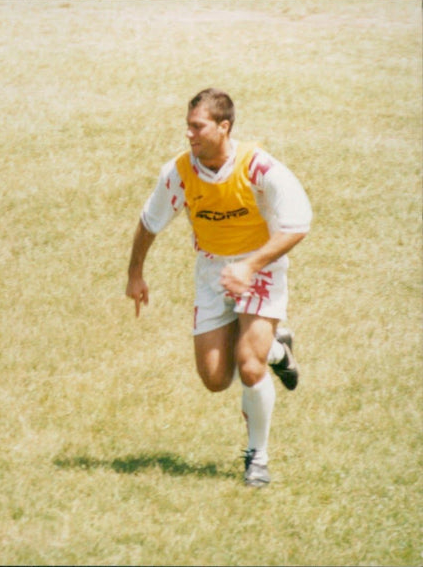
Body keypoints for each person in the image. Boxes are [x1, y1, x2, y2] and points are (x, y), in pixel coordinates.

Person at [125, 88, 312, 488]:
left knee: (248, 364)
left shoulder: (260, 167)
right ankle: (278, 348)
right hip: (212, 272)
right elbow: (150, 222)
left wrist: (249, 265)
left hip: (260, 266)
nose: (189, 135)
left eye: (197, 127)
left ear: (223, 127)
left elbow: (298, 223)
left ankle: (257, 457)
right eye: (187, 126)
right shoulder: (179, 172)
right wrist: (135, 275)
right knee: (214, 378)